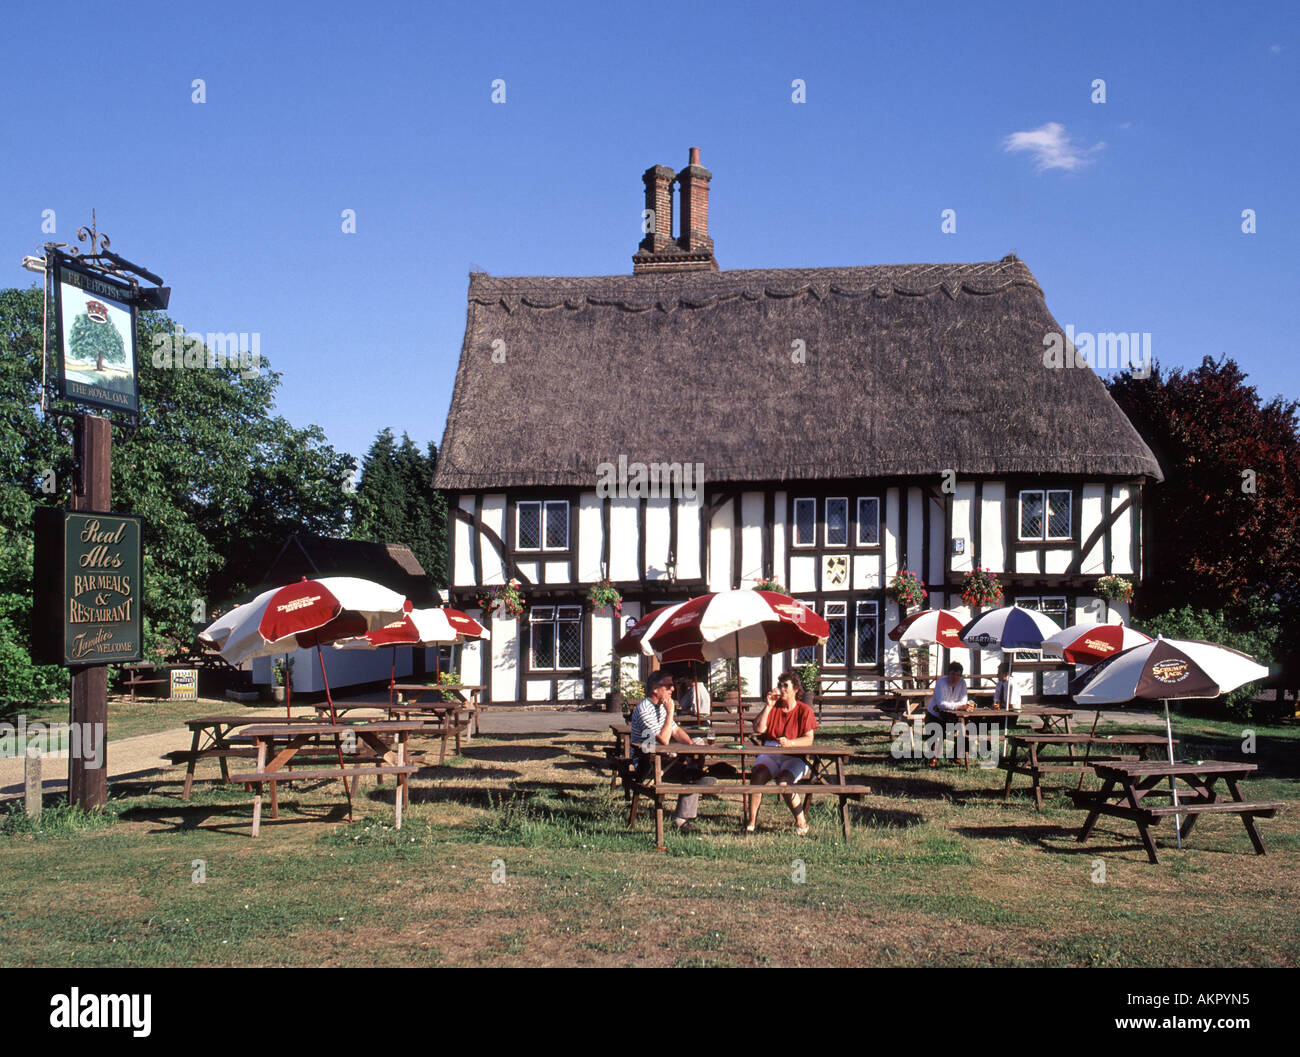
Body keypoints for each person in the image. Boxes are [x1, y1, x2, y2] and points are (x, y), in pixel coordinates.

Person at [629, 669, 715, 833]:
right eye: (668, 686)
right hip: (646, 764)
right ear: (655, 688)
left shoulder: (661, 707)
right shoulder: (645, 709)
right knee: (693, 776)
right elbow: (663, 739)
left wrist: (691, 746)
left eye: (672, 686)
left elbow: (676, 731)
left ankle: (692, 776)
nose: (673, 689)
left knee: (698, 743)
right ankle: (694, 775)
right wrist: (670, 713)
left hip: (663, 758)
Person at [745, 671, 818, 835]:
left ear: (795, 689)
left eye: (786, 686)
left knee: (783, 783)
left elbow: (809, 740)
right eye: (780, 685)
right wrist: (768, 706)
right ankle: (751, 823)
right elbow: (758, 729)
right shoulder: (774, 707)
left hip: (794, 755)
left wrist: (791, 743)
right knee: (757, 776)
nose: (782, 689)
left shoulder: (804, 710)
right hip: (771, 750)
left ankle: (801, 822)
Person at [925, 661, 971, 767]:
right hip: (935, 715)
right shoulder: (941, 682)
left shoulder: (962, 683)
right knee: (935, 730)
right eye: (952, 674)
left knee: (966, 729)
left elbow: (964, 701)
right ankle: (933, 757)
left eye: (958, 675)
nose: (955, 677)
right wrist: (958, 706)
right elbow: (941, 704)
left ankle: (955, 755)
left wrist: (949, 705)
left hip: (952, 716)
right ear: (948, 674)